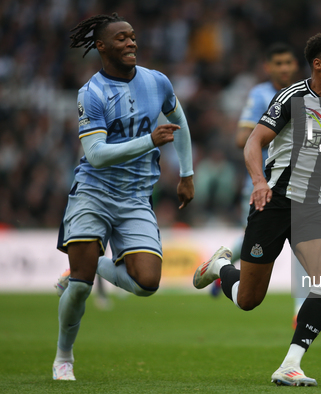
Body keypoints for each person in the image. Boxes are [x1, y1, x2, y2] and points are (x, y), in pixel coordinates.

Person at [193, 32, 321, 386]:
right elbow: (253, 142)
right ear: (318, 64)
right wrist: (258, 182)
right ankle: (221, 266)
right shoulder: (292, 97)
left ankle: (291, 363)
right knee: (247, 299)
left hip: (312, 207)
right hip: (274, 202)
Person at [52, 13, 194, 381]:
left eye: (132, 37)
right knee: (81, 290)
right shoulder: (92, 93)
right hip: (94, 193)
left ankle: (87, 265)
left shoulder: (157, 81)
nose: (131, 43)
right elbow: (96, 155)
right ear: (101, 46)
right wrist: (149, 141)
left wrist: (187, 174)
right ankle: (64, 356)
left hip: (135, 197)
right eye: (121, 39)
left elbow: (179, 124)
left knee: (147, 284)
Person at [211, 43, 307, 323]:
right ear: (268, 67)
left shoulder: (305, 95)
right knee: (251, 244)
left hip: (296, 186)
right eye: (278, 63)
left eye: (288, 62)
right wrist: (279, 128)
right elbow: (243, 139)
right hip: (263, 186)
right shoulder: (261, 94)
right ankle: (221, 267)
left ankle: (300, 308)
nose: (284, 68)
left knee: (302, 244)